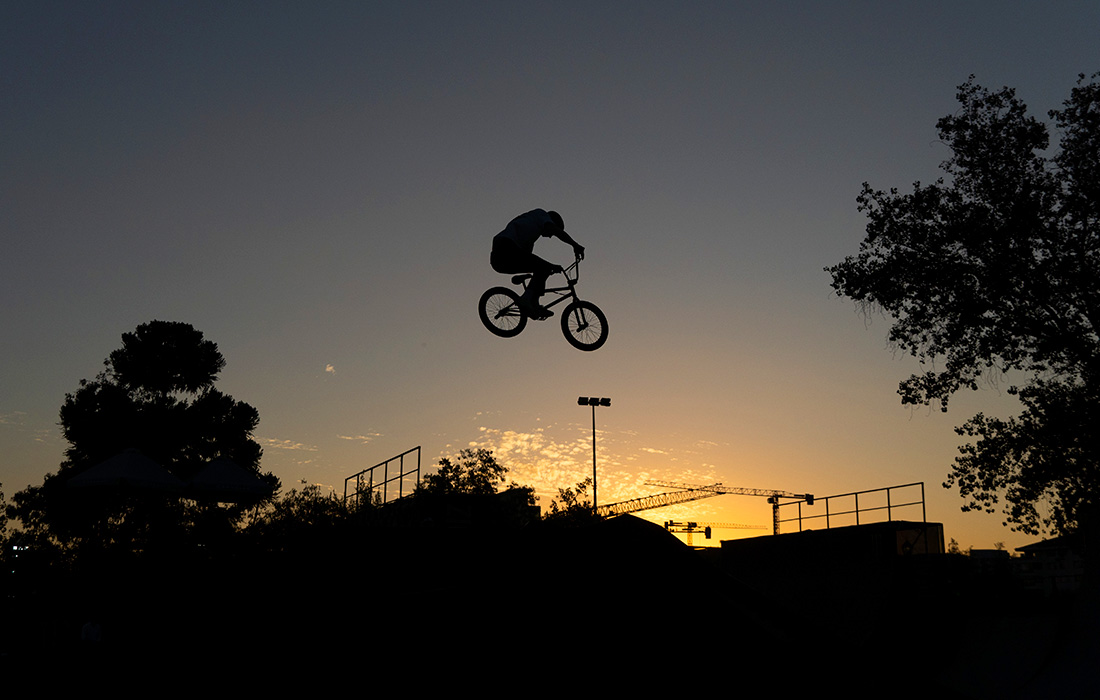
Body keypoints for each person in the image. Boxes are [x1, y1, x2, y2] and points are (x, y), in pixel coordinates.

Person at [490, 209, 585, 318]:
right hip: (505, 248)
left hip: (499, 259)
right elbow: (555, 230)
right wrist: (575, 245)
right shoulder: (541, 214)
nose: (550, 236)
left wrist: (550, 267)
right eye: (552, 234)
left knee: (543, 268)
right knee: (544, 267)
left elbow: (530, 260)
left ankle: (533, 304)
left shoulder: (529, 232)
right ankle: (526, 300)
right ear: (551, 221)